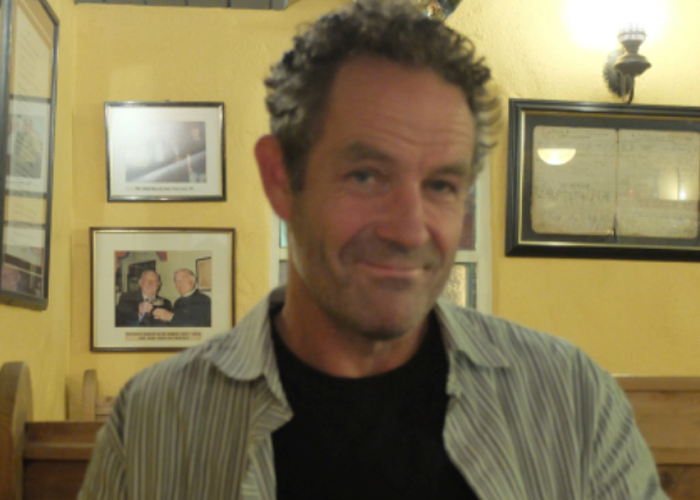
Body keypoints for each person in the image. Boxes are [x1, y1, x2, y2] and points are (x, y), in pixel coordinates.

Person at [80, 2, 667, 499]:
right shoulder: (156, 420)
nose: (410, 231)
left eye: (441, 185)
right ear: (281, 179)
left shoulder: (572, 400)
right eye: (365, 176)